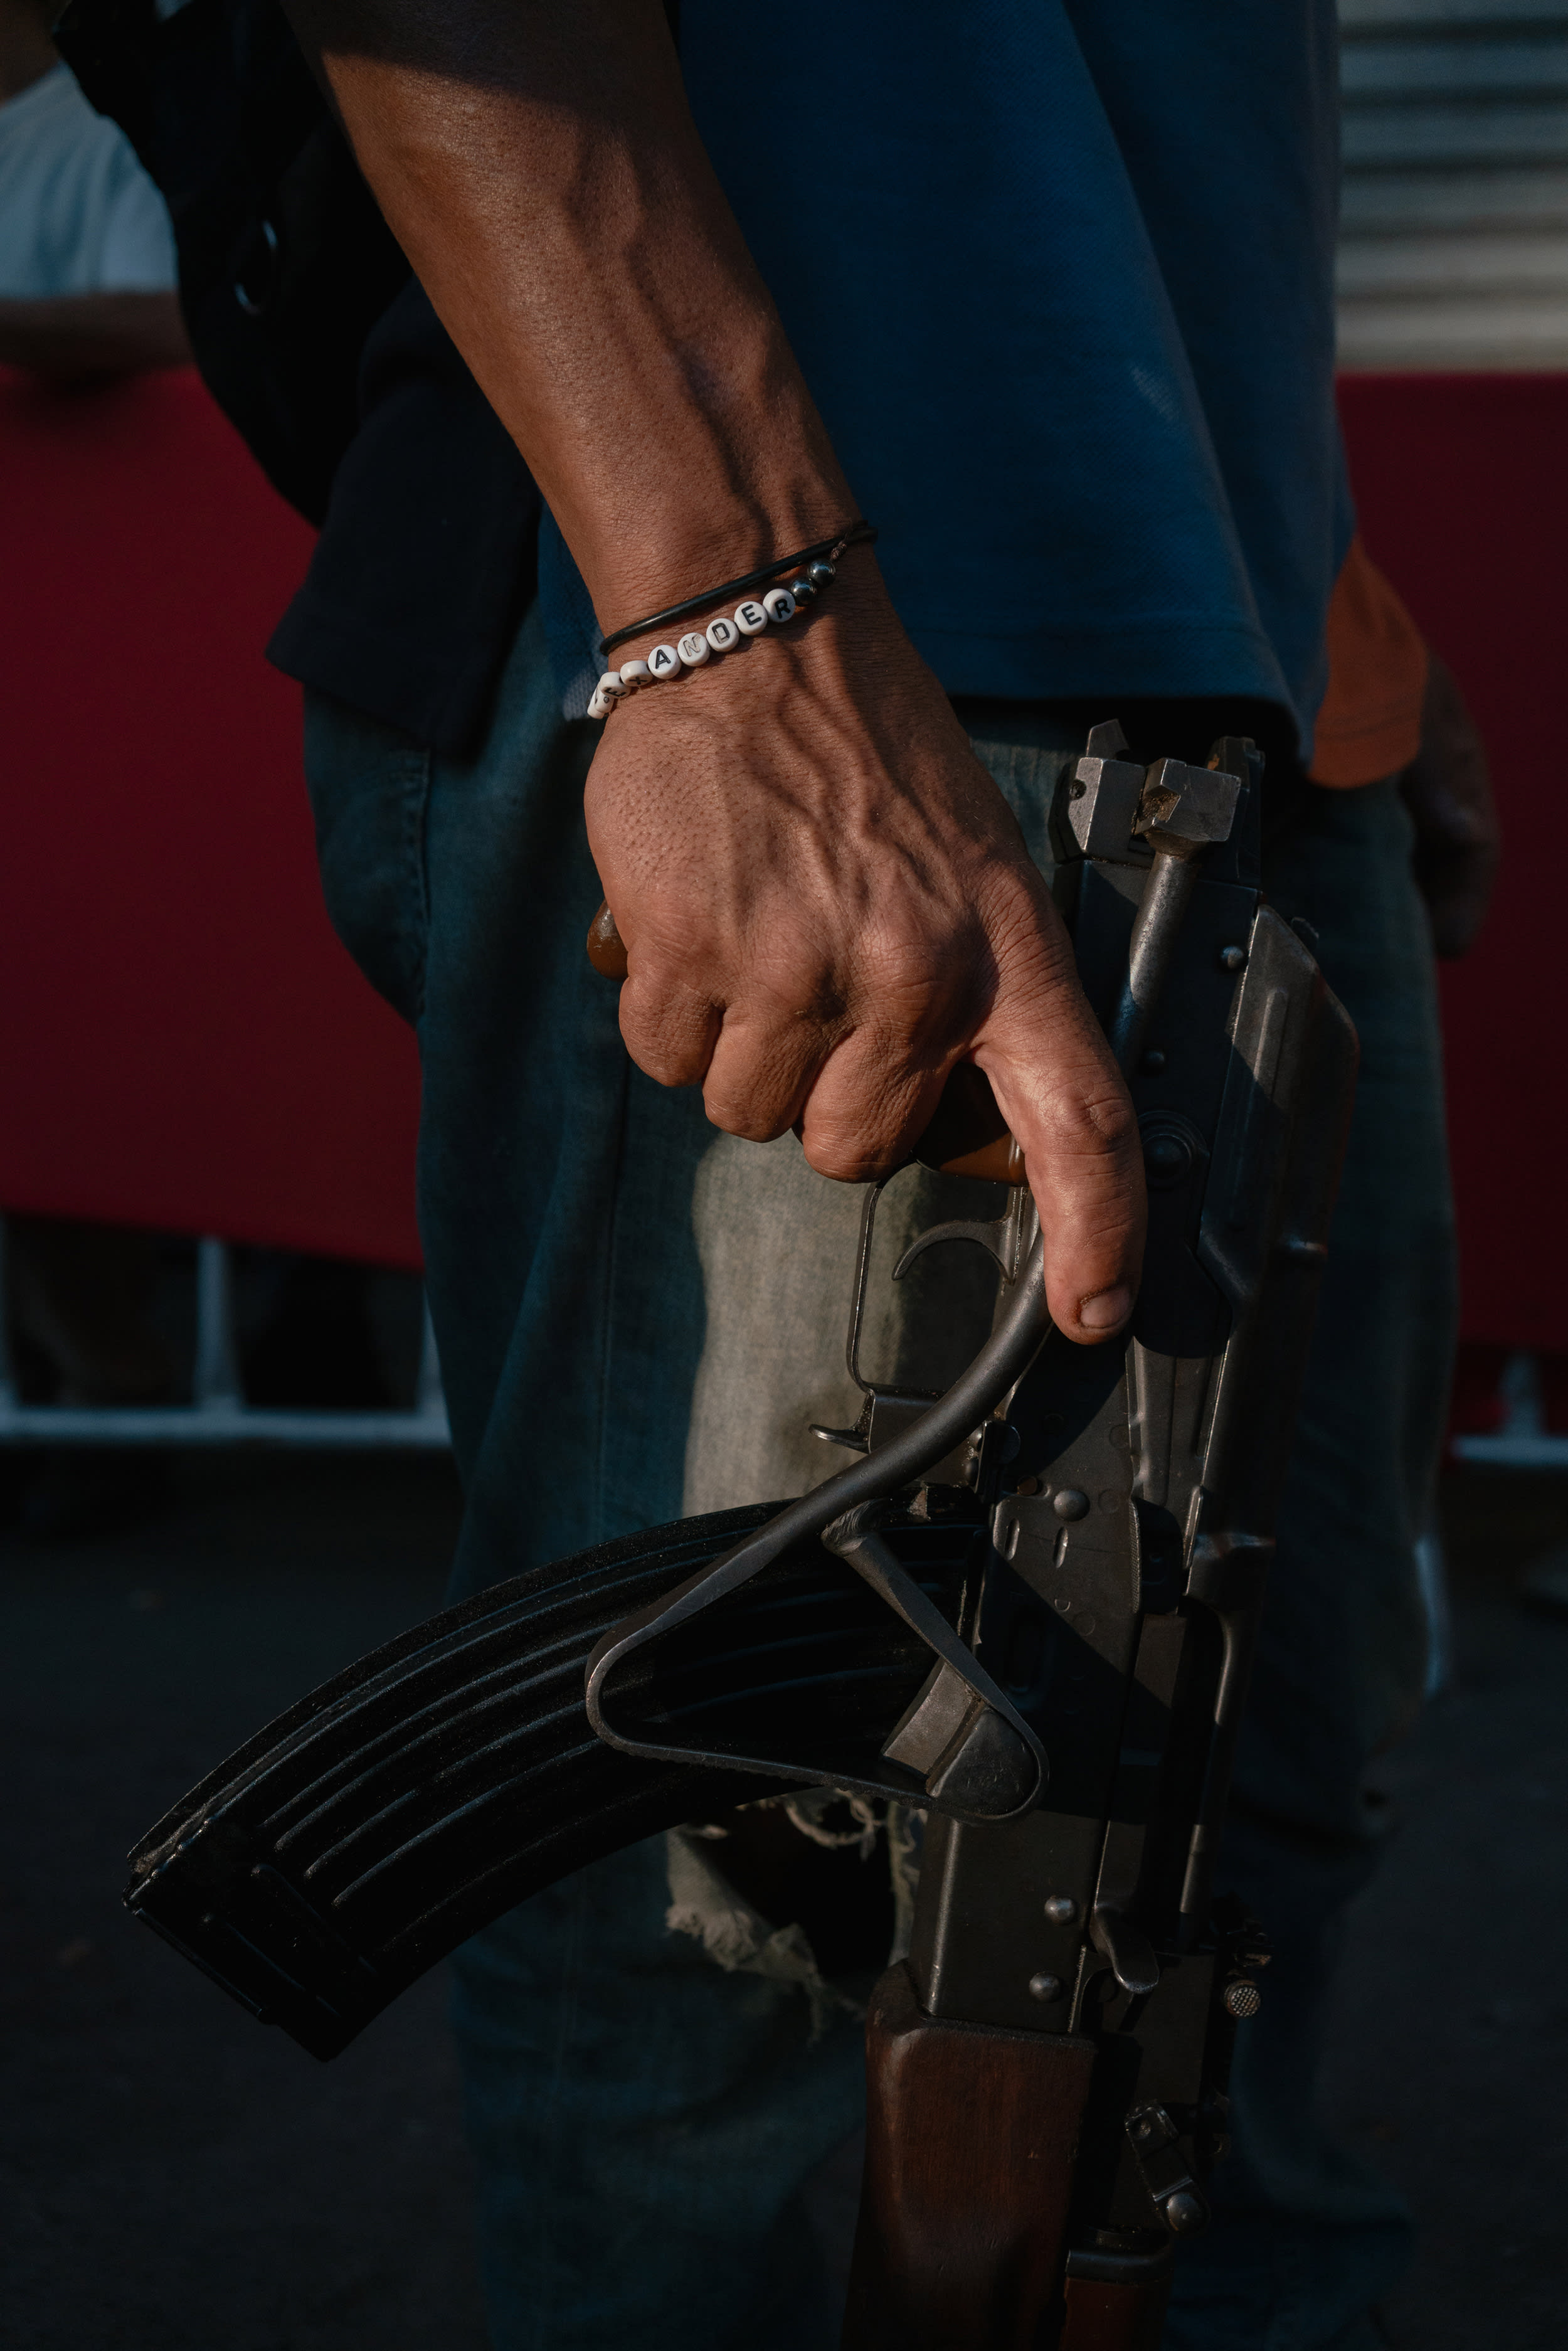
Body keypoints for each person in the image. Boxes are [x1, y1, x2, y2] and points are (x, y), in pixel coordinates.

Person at [257, 6, 1497, 2346]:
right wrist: (734, 624)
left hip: (1207, 639)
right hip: (797, 619)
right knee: (737, 1961)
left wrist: (1285, 566)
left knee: (1228, 1885)